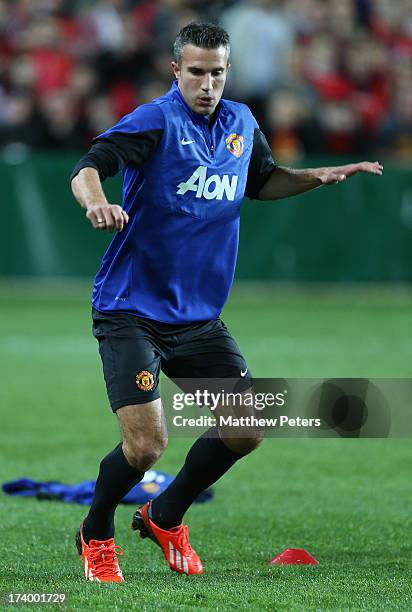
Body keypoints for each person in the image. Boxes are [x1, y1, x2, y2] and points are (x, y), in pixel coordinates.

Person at [70, 22, 383, 583]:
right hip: (131, 308)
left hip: (199, 318)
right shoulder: (155, 121)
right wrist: (96, 202)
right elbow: (88, 165)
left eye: (217, 73)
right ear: (176, 71)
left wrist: (315, 176)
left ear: (227, 71)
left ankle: (165, 515)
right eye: (196, 72)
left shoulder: (241, 122)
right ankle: (95, 533)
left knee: (246, 426)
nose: (207, 84)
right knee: (146, 448)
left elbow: (261, 182)